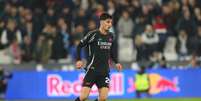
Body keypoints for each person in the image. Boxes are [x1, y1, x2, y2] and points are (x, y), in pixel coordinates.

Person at [75, 13, 123, 101]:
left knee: (103, 98)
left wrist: (116, 62)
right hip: (92, 70)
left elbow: (111, 51)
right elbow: (79, 45)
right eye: (108, 22)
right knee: (84, 97)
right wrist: (78, 60)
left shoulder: (111, 36)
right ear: (101, 22)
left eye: (111, 23)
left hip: (104, 71)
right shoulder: (93, 34)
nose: (110, 24)